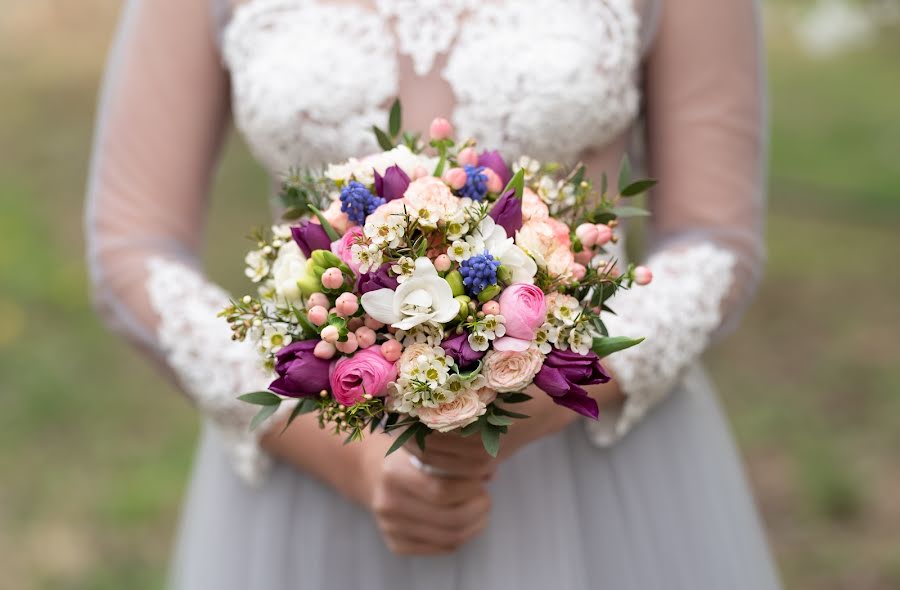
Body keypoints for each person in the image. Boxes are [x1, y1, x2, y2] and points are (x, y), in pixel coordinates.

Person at [85, 0, 781, 588]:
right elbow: (132, 245)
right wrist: (344, 454)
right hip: (317, 464)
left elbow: (714, 237)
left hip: (590, 465)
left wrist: (564, 389)